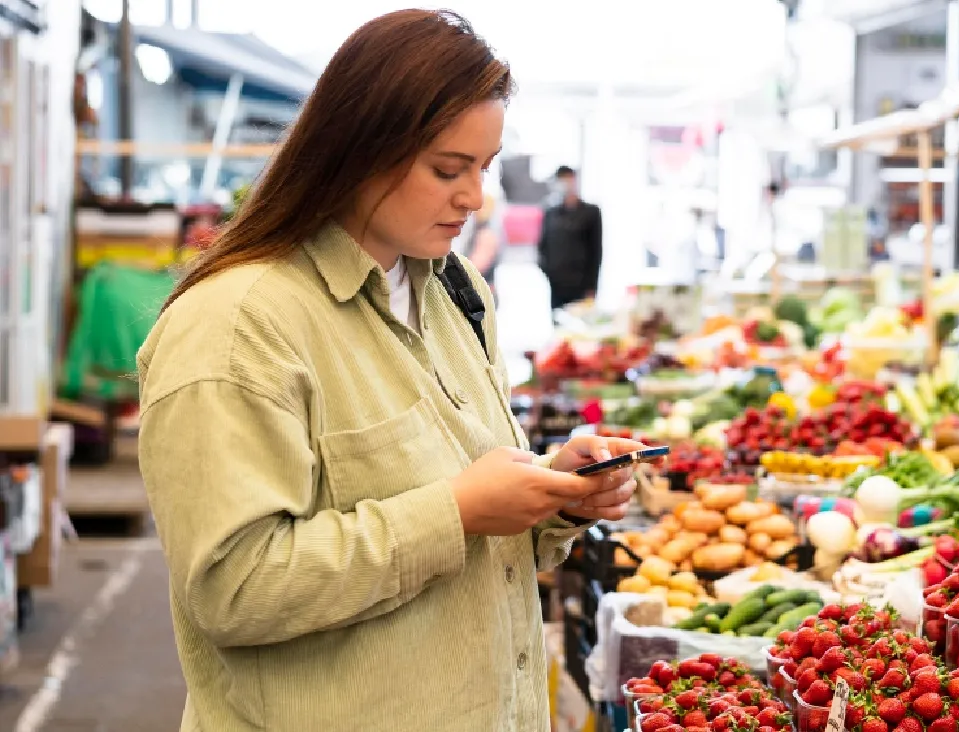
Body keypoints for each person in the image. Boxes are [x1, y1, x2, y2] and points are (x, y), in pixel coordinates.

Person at [134, 11, 651, 731]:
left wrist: (552, 492)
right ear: (357, 151)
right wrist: (458, 511)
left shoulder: (454, 289)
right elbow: (233, 588)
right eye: (448, 169)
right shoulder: (235, 328)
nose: (474, 197)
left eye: (484, 167)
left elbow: (471, 513)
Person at [537, 165, 602, 310]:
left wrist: (592, 286)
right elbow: (543, 245)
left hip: (580, 285)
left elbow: (595, 251)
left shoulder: (591, 213)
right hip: (557, 285)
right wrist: (548, 272)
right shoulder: (551, 212)